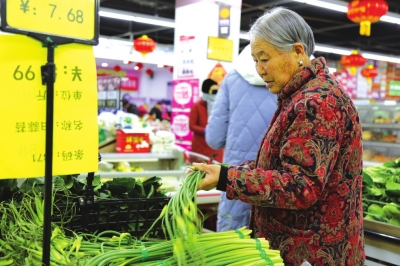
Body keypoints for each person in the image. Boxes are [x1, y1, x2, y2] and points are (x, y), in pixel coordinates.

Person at [191, 7, 365, 266]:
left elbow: (300, 186)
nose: (260, 69)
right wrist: (223, 172)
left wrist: (228, 178)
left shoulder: (317, 102)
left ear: (297, 52)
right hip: (302, 246)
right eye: (255, 60)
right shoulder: (298, 96)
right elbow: (278, 166)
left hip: (314, 252)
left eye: (264, 58)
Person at [205, 44, 277, 232]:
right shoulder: (290, 79)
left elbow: (214, 139)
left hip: (235, 179)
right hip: (277, 185)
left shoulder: (232, 79)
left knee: (234, 249)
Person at [189, 78, 223, 163]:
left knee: (216, 171)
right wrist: (204, 130)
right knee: (200, 172)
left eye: (217, 91)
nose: (216, 94)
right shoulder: (197, 106)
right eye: (213, 91)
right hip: (200, 146)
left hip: (215, 146)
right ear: (206, 91)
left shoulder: (219, 106)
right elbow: (191, 125)